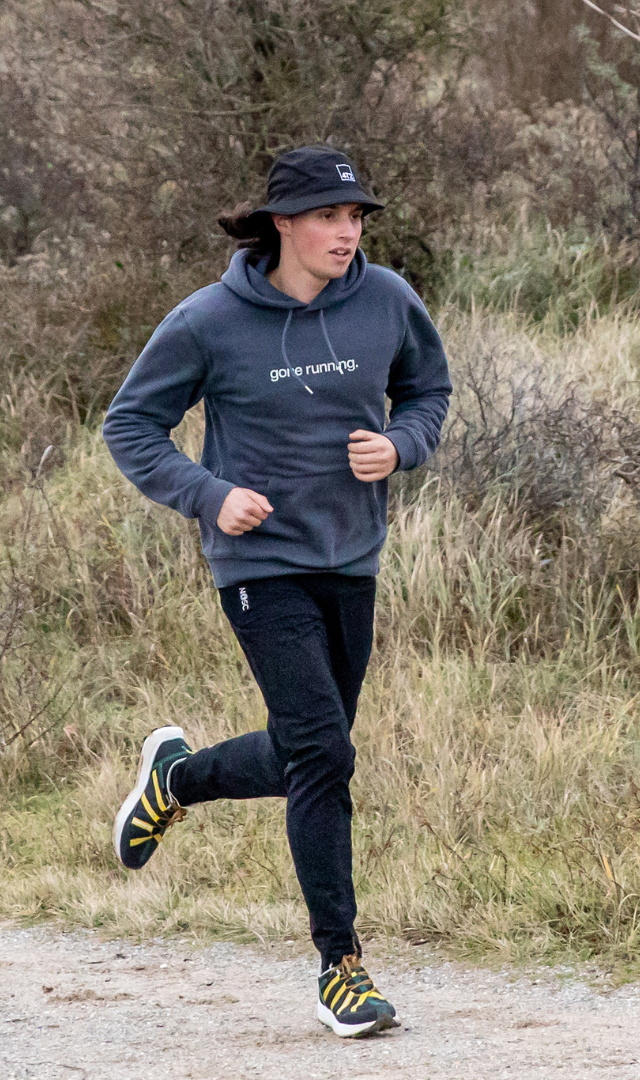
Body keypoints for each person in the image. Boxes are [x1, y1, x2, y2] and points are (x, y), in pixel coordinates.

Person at [102, 146, 451, 1038]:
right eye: (331, 217)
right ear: (283, 224)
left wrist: (402, 445)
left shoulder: (387, 300)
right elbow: (131, 425)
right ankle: (342, 966)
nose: (348, 232)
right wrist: (210, 497)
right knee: (326, 754)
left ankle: (175, 779)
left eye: (358, 217)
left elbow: (427, 391)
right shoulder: (208, 320)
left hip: (353, 555)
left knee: (314, 748)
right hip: (259, 567)